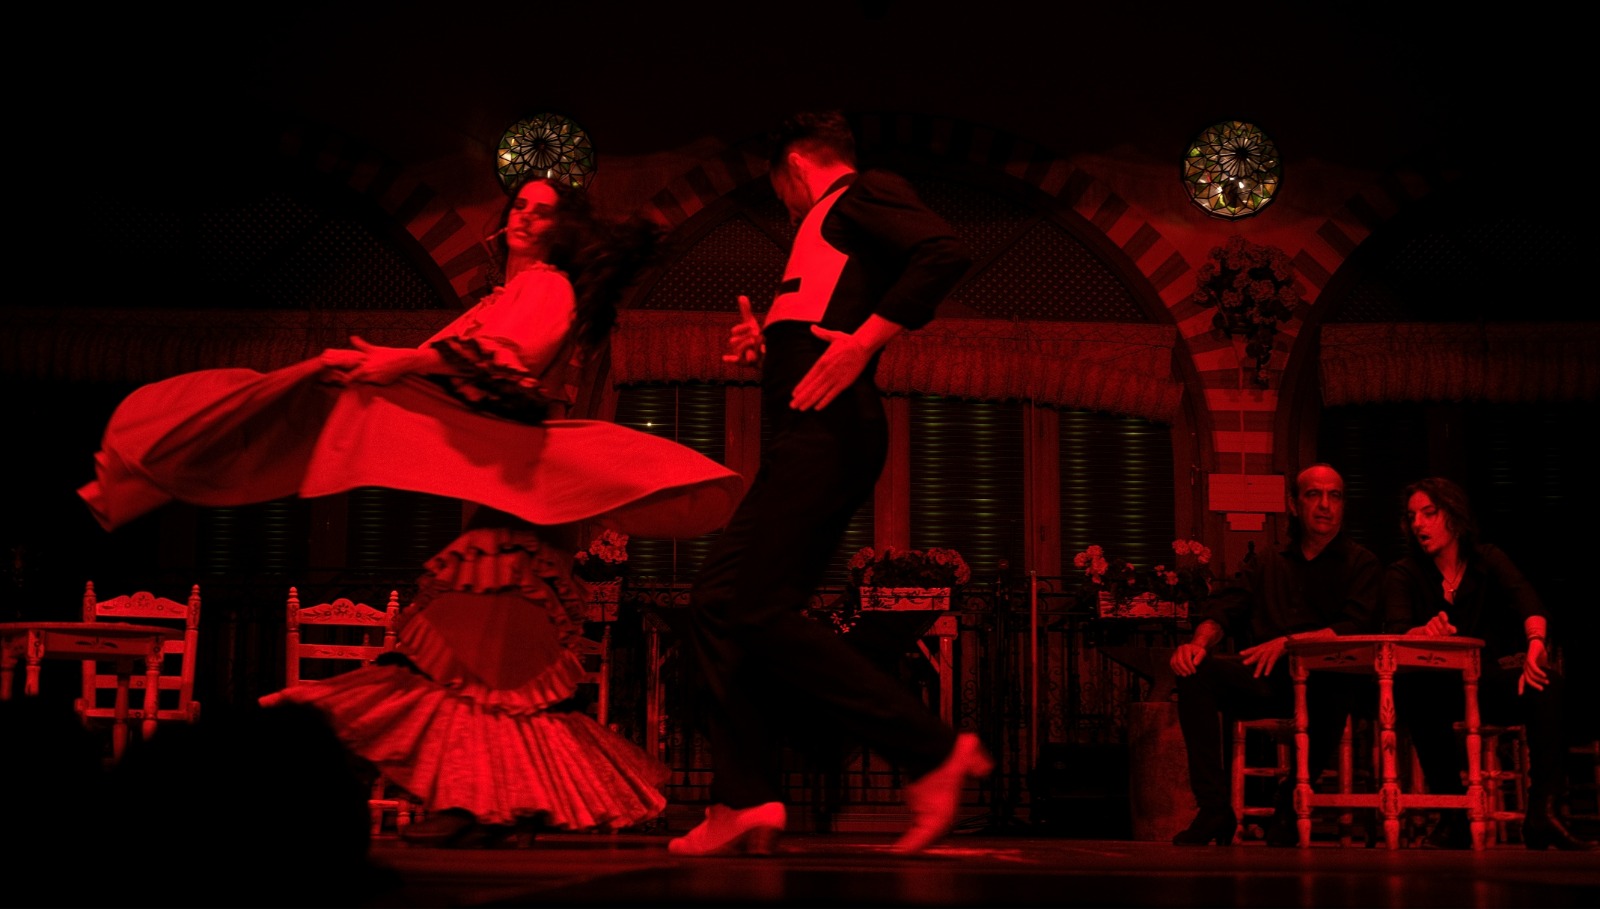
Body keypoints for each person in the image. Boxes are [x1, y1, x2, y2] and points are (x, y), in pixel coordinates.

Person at [80, 176, 746, 846]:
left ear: (561, 230)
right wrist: (378, 368)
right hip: (497, 487)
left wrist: (398, 362)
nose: (526, 217)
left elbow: (497, 363)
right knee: (473, 654)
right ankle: (488, 803)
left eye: (543, 212)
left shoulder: (546, 287)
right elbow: (446, 365)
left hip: (519, 494)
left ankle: (481, 802)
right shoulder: (506, 295)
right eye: (520, 205)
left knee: (481, 652)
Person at [667, 110, 986, 858]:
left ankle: (930, 748)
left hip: (830, 436)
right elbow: (817, 321)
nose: (778, 199)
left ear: (795, 164)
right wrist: (768, 341)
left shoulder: (860, 191)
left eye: (777, 184)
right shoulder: (826, 231)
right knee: (721, 603)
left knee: (750, 606)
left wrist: (866, 344)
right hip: (805, 440)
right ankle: (743, 799)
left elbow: (943, 252)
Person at [1168, 463, 1382, 846]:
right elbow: (1224, 609)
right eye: (1313, 494)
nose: (1325, 505)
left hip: (1326, 679)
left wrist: (1289, 643)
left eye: (1334, 495)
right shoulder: (1267, 561)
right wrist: (1197, 644)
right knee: (1195, 673)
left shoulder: (1361, 562)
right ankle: (1214, 807)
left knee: (1336, 685)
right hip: (1268, 680)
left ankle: (1289, 801)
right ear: (1293, 504)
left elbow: (1356, 627)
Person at [1382, 476, 1597, 851]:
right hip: (1437, 687)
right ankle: (1452, 816)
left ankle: (1543, 812)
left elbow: (1527, 599)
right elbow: (1397, 631)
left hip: (1487, 680)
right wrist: (1424, 631)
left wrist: (1535, 644)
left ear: (1454, 516)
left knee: (1547, 684)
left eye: (1429, 514)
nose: (1418, 524)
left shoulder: (1487, 559)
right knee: (1414, 693)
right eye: (1412, 516)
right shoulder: (1405, 573)